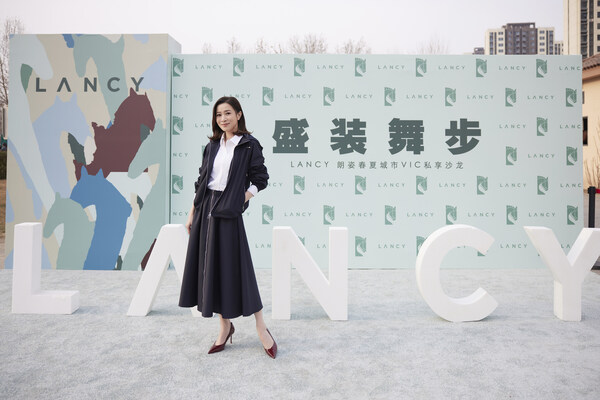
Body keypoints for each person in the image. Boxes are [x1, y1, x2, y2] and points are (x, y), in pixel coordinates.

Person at [178, 96, 277, 359]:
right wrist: (192, 212)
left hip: (228, 211)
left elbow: (260, 179)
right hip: (205, 210)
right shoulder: (212, 145)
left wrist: (238, 199)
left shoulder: (248, 145)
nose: (223, 118)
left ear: (239, 114)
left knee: (240, 268)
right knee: (212, 270)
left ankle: (261, 326)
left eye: (228, 113)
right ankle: (224, 327)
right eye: (219, 114)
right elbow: (202, 181)